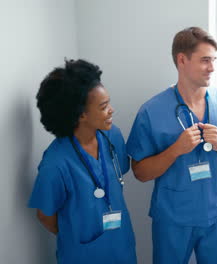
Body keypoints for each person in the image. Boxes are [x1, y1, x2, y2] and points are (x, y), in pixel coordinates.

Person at [126, 27, 217, 264]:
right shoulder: (152, 111)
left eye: (213, 60)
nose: (212, 68)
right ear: (182, 60)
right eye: (205, 60)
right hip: (173, 219)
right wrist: (175, 150)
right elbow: (140, 172)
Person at [28, 59, 137, 263]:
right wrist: (76, 234)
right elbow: (45, 216)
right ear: (81, 115)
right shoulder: (55, 163)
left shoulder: (112, 136)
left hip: (121, 247)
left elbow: (120, 169)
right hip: (82, 255)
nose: (112, 110)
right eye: (104, 107)